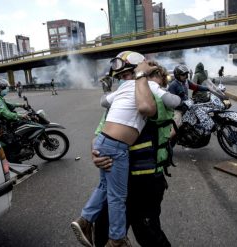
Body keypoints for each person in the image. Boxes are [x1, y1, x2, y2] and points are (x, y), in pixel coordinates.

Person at [70, 51, 180, 247]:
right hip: (116, 172)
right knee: (103, 232)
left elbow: (158, 114)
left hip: (146, 181)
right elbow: (99, 134)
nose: (125, 80)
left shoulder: (155, 97)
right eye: (122, 77)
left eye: (130, 75)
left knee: (148, 233)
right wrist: (96, 154)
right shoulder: (123, 98)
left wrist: (144, 80)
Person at [0, 78, 27, 156]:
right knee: (12, 144)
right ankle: (14, 161)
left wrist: (20, 105)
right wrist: (20, 115)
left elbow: (8, 105)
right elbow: (6, 113)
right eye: (4, 88)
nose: (6, 89)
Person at [168, 64, 209, 130]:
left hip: (188, 106)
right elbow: (170, 101)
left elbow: (197, 87)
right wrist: (180, 104)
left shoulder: (186, 82)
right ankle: (172, 139)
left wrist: (209, 88)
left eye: (187, 74)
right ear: (177, 75)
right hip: (178, 109)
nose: (186, 76)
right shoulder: (173, 85)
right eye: (183, 75)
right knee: (176, 125)